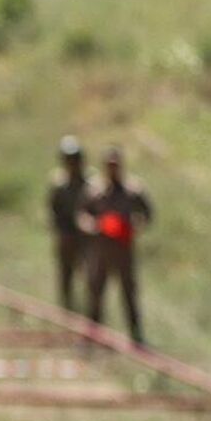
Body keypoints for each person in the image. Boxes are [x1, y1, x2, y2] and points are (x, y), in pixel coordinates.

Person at [81, 147, 154, 345]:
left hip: (123, 248)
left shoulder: (133, 189)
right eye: (109, 165)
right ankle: (93, 335)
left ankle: (136, 335)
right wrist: (94, 226)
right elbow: (82, 214)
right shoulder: (94, 189)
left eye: (116, 165)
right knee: (95, 291)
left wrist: (134, 227)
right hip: (101, 248)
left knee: (129, 292)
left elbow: (147, 214)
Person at [45, 134, 91, 311]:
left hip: (85, 238)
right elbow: (53, 210)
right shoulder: (59, 183)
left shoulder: (90, 183)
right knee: (66, 277)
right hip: (66, 235)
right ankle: (67, 311)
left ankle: (90, 315)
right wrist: (61, 231)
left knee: (89, 278)